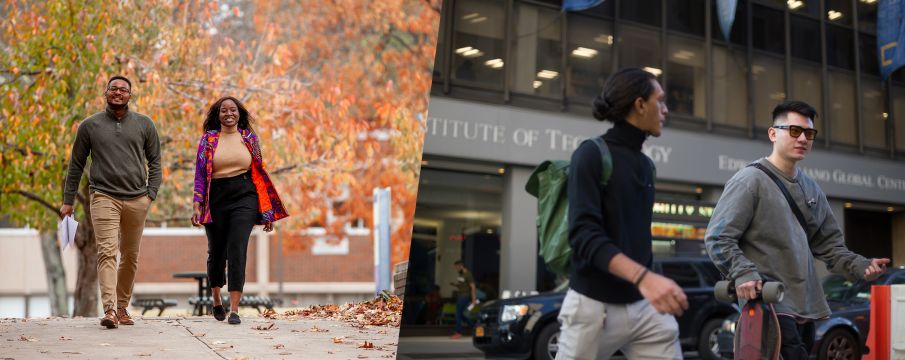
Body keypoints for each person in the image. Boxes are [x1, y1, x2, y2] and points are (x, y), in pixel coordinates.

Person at [705, 100, 890, 359]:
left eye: (809, 133)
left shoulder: (811, 188)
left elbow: (830, 246)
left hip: (806, 306)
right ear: (773, 133)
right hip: (769, 303)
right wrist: (743, 273)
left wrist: (861, 265)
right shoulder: (750, 181)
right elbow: (718, 237)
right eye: (794, 130)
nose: (803, 138)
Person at [556, 68, 687, 360]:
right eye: (660, 101)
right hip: (592, 306)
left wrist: (650, 282)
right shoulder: (590, 154)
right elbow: (584, 236)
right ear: (640, 105)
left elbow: (636, 237)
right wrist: (645, 278)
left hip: (645, 307)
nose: (665, 110)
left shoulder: (646, 165)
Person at [61, 75, 161, 329]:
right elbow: (76, 165)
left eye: (123, 90)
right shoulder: (89, 126)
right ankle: (109, 310)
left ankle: (122, 307)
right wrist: (68, 200)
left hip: (138, 198)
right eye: (113, 89)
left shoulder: (145, 124)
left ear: (130, 95)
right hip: (104, 196)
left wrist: (151, 194)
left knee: (130, 255)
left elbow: (156, 162)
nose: (118, 93)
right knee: (106, 252)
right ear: (105, 93)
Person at [191, 96, 288, 325]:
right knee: (217, 252)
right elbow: (199, 175)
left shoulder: (249, 138)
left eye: (232, 110)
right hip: (215, 196)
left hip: (245, 195)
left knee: (238, 248)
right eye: (223, 110)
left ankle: (235, 308)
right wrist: (197, 203)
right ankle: (216, 300)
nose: (228, 114)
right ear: (218, 115)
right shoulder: (208, 139)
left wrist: (266, 211)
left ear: (239, 113)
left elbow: (259, 173)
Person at [450, 260, 476, 339]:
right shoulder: (461, 275)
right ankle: (475, 328)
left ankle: (458, 332)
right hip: (460, 295)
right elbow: (461, 286)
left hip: (464, 296)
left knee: (458, 313)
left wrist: (473, 299)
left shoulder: (468, 274)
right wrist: (454, 285)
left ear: (461, 266)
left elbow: (473, 287)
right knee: (462, 315)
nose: (456, 269)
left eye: (456, 268)